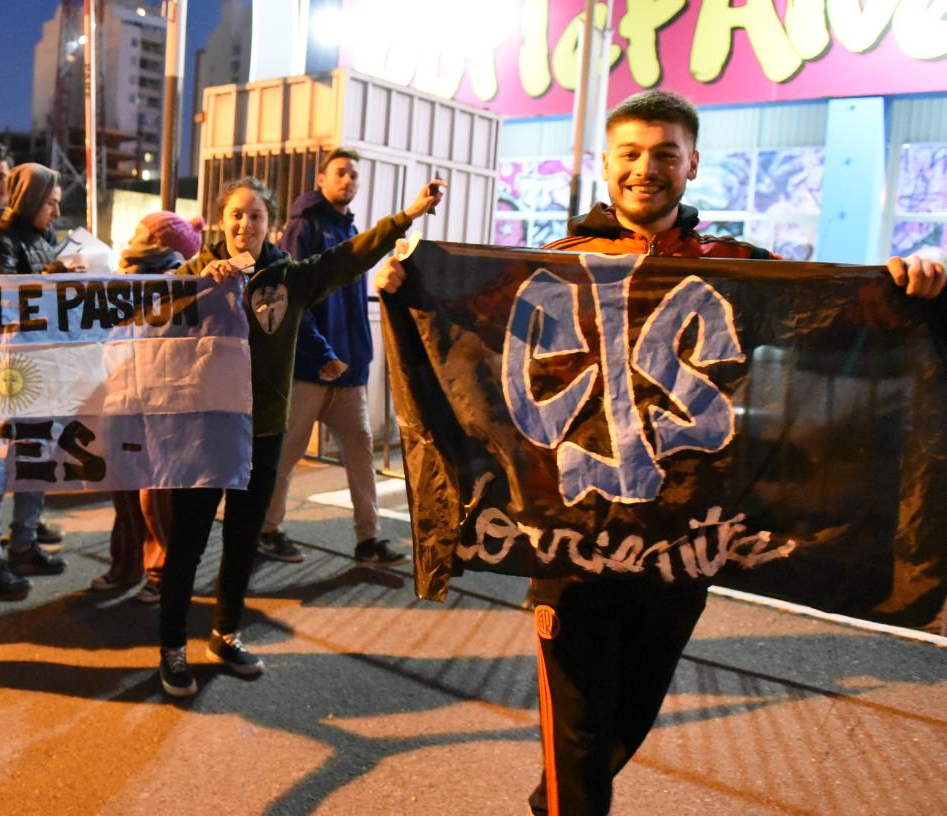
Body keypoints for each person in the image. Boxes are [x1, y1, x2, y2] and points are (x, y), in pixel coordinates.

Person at [374, 89, 946, 816]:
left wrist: (910, 285)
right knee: (579, 732)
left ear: (693, 164)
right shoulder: (548, 265)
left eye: (665, 154)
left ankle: (556, 801)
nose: (646, 169)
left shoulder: (736, 268)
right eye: (631, 154)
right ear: (604, 164)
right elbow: (457, 319)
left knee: (627, 717)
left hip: (683, 538)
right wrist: (403, 285)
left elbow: (836, 310)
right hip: (571, 538)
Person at [156, 175, 444, 698]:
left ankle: (225, 632)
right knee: (188, 544)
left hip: (264, 432)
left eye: (256, 216)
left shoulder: (290, 277)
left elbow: (350, 257)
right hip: (201, 433)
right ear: (221, 222)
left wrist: (406, 217)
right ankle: (172, 646)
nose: (245, 225)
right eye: (236, 215)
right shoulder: (194, 274)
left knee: (242, 541)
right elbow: (148, 316)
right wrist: (199, 287)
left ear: (271, 225)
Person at [258, 147, 407, 566]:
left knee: (360, 452)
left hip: (349, 369)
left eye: (354, 175)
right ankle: (266, 530)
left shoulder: (348, 231)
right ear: (320, 179)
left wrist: (356, 356)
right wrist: (318, 351)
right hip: (311, 368)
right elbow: (291, 296)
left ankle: (368, 540)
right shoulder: (304, 226)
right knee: (286, 456)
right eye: (340, 173)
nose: (348, 181)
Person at [0, 162, 68, 596]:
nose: (56, 215)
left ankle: (23, 544)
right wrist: (50, 280)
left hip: (38, 370)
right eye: (50, 204)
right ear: (30, 200)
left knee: (35, 461)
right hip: (1, 376)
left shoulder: (42, 239)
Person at [88, 211, 203, 603]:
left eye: (141, 230)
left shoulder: (179, 283)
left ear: (160, 243)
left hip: (158, 403)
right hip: (119, 397)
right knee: (123, 491)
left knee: (155, 497)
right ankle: (126, 563)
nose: (131, 234)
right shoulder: (122, 278)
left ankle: (162, 573)